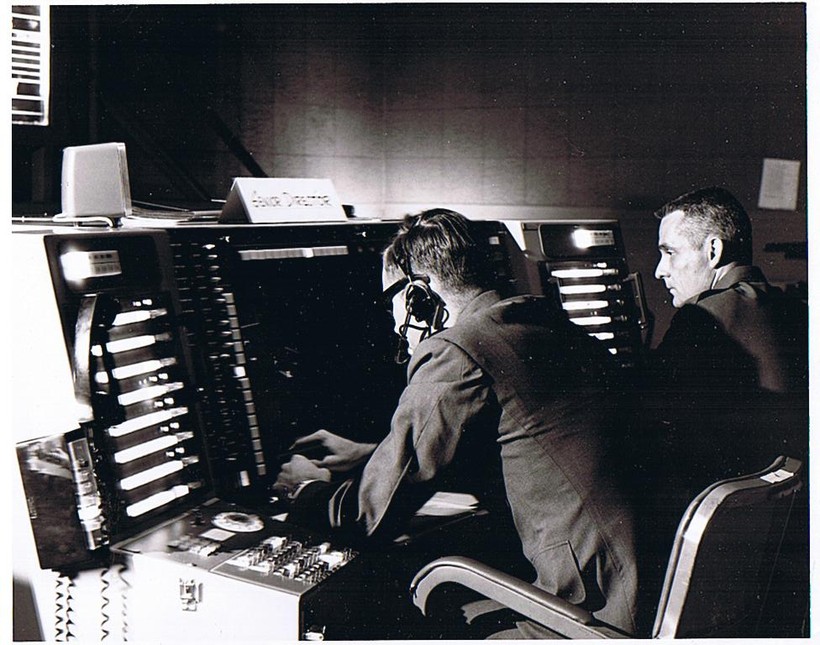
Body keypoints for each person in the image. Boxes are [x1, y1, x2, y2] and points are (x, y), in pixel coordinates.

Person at [275, 208, 643, 636]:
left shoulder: (457, 349)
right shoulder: (542, 321)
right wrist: (371, 454)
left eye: (391, 300)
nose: (393, 322)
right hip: (635, 585)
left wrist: (308, 489)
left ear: (417, 296)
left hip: (589, 615)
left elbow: (367, 517)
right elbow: (524, 445)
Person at [640, 186, 809, 636]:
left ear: (713, 251)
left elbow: (640, 426)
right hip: (781, 570)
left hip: (716, 566)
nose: (659, 270)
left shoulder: (702, 321)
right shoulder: (798, 313)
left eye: (669, 253)